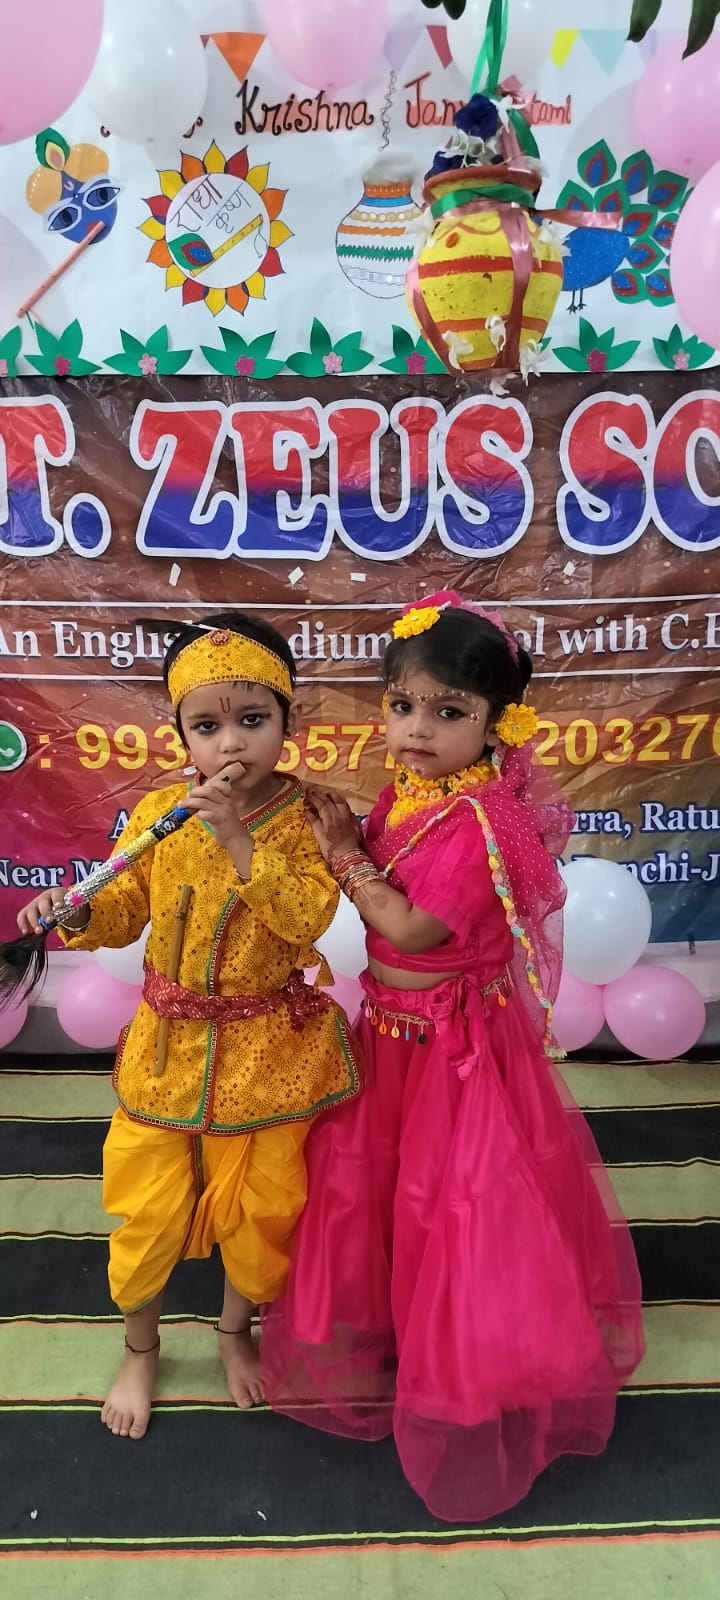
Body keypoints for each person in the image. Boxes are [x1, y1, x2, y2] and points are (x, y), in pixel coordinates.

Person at [261, 590, 644, 1523]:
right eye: (402, 706)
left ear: (495, 723)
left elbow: (411, 927)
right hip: (391, 1035)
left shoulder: (482, 821)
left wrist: (345, 855)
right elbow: (384, 872)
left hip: (454, 1054)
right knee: (380, 1192)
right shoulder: (416, 791)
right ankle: (401, 1327)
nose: (417, 730)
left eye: (448, 711)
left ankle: (468, 1369)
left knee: (461, 1208)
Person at [17, 612, 362, 1441]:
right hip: (165, 1054)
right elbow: (123, 906)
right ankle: (140, 1349)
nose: (230, 743)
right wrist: (76, 912)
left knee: (262, 1211)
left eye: (253, 719)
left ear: (289, 721)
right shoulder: (160, 813)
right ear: (182, 737)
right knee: (146, 1211)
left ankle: (234, 1331)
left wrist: (237, 838)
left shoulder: (313, 817)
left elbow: (308, 918)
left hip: (270, 1056)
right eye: (207, 727)